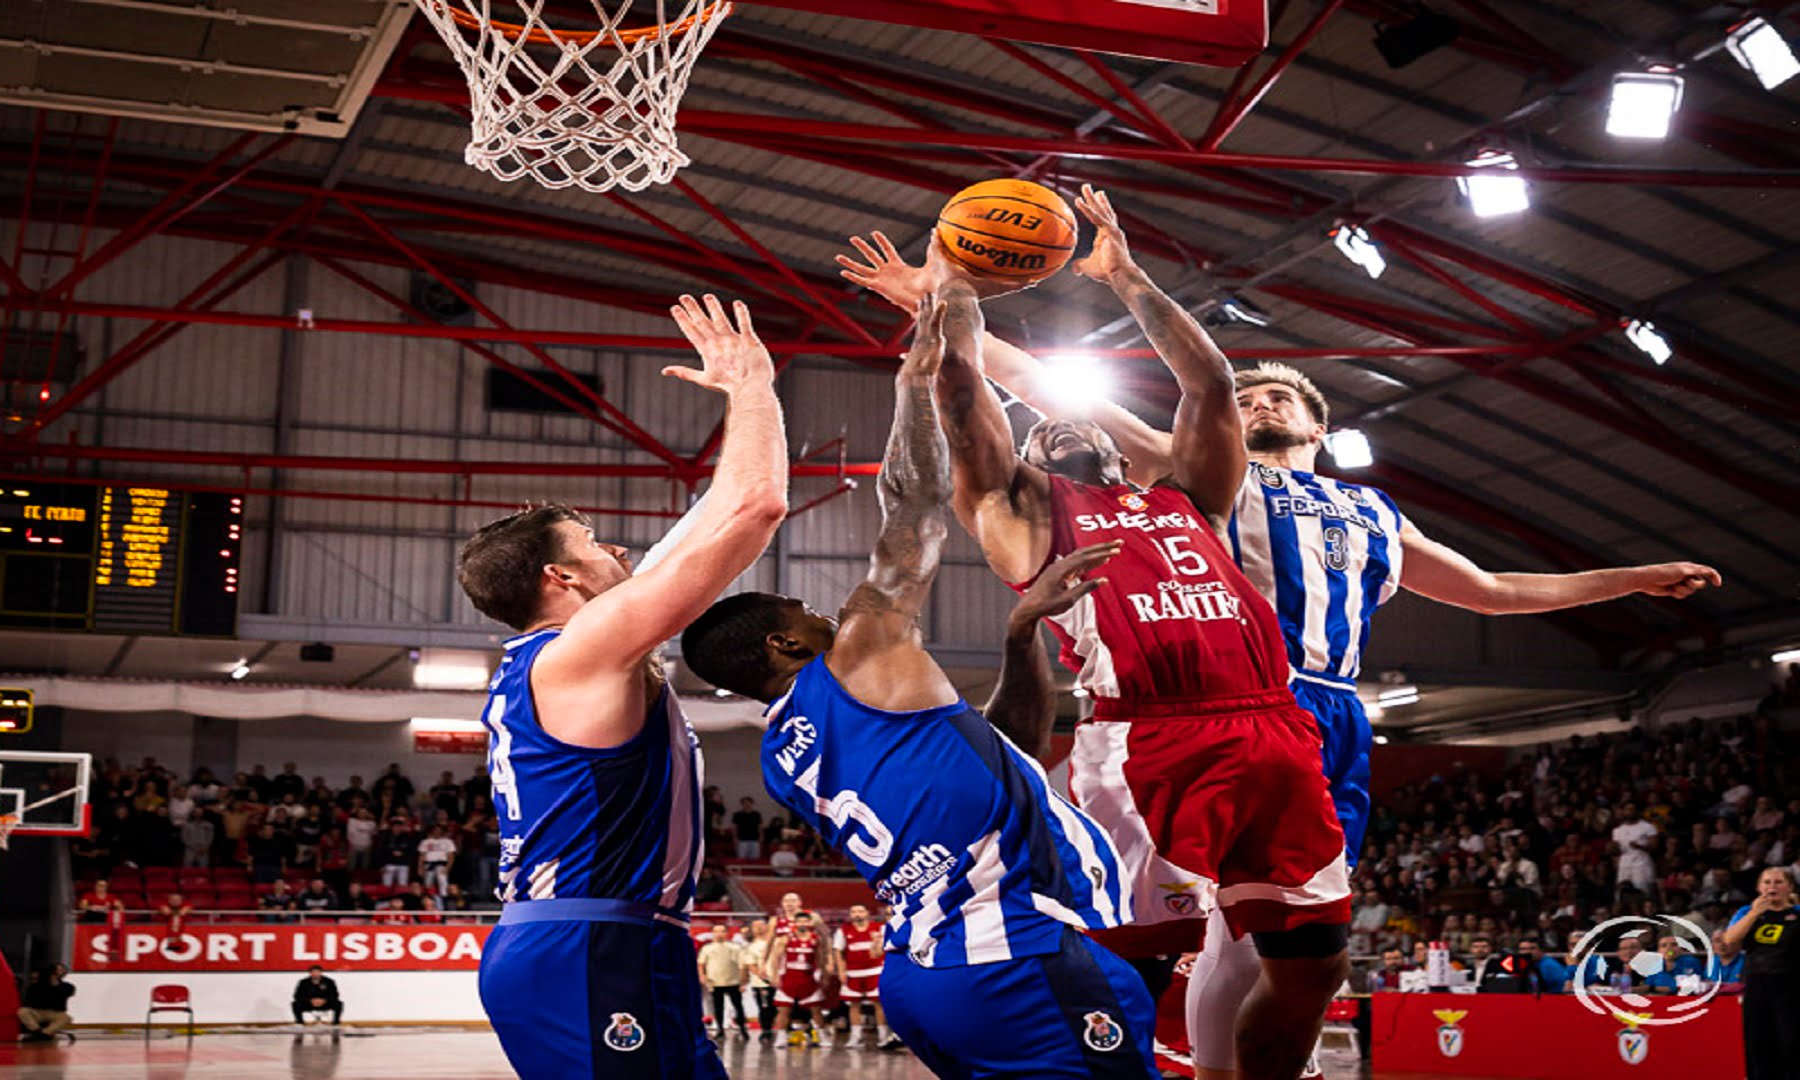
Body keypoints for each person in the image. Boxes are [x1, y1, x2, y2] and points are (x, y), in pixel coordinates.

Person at [840, 213, 1721, 1080]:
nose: (1261, 401)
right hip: (1174, 713)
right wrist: (942, 294)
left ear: (1317, 426)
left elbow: (1490, 591)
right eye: (1253, 396)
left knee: (1297, 942)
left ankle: (1236, 1062)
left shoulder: (1343, 507)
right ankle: (1155, 1057)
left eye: (1281, 397)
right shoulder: (1176, 480)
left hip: (1309, 717)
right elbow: (1031, 387)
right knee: (1160, 933)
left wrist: (1629, 579)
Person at [842, 191, 1347, 1080]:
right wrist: (952, 286)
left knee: (1315, 967)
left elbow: (1211, 386)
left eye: (1074, 422)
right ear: (1028, 460)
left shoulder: (1189, 498)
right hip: (1144, 738)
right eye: (1041, 430)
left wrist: (1126, 277)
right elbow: (960, 392)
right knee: (1123, 964)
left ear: (1122, 451)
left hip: (1273, 728)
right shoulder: (1021, 512)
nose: (1058, 423)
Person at [681, 283, 1154, 1078]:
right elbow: (917, 507)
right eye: (801, 608)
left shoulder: (786, 755)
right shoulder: (859, 653)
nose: (821, 610)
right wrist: (914, 382)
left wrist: (1019, 632)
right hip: (1016, 958)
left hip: (928, 976)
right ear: (782, 641)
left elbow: (1012, 751)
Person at [458, 293, 787, 1080]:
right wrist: (754, 387)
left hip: (607, 939)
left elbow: (712, 513)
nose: (622, 547)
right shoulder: (580, 651)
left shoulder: (567, 653)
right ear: (559, 575)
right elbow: (756, 506)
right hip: (591, 944)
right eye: (595, 542)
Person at [1720, 866, 1799, 1078]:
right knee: (1757, 1040)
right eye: (1767, 882)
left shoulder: (1797, 912)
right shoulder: (1746, 912)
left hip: (1791, 986)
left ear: (1790, 887)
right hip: (1757, 984)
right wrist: (1755, 912)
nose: (1772, 886)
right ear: (1758, 887)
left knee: (1790, 1041)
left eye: (1778, 882)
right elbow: (1729, 940)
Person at [768, 911, 831, 1048]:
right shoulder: (785, 938)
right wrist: (774, 975)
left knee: (816, 1010)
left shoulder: (816, 939)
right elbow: (775, 958)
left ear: (809, 923)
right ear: (795, 923)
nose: (802, 924)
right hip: (789, 978)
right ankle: (781, 1038)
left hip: (808, 978)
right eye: (799, 921)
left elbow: (820, 958)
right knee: (784, 1010)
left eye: (805, 921)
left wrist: (824, 975)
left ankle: (822, 1036)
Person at [832, 904, 886, 1047]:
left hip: (875, 971)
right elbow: (838, 952)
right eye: (854, 911)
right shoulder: (843, 930)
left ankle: (883, 1036)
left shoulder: (879, 928)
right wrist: (841, 971)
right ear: (850, 915)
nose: (857, 914)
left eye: (860, 911)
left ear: (867, 913)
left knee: (878, 1004)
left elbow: (885, 949)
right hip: (853, 972)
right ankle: (856, 1037)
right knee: (853, 1005)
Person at [697, 924, 749, 1040]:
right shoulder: (707, 948)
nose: (719, 934)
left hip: (733, 981)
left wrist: (743, 982)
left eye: (722, 931)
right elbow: (701, 964)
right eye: (717, 931)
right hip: (715, 982)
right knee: (718, 1007)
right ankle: (720, 1029)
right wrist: (702, 975)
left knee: (738, 1007)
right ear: (713, 933)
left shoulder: (736, 948)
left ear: (727, 933)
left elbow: (742, 965)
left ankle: (742, 1028)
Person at [17, 963, 75, 1042]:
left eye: (61, 970)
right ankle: (37, 1031)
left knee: (66, 1018)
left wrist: (55, 985)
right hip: (38, 1011)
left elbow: (62, 999)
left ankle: (44, 1033)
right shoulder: (36, 986)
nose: (58, 973)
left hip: (54, 1012)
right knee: (23, 1011)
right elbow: (30, 1002)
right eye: (57, 970)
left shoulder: (67, 986)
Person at [742, 917, 778, 1045]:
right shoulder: (751, 947)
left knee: (782, 1008)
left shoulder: (777, 942)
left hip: (780, 981)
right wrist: (766, 978)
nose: (758, 928)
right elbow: (751, 966)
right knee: (765, 1008)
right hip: (762, 983)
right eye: (755, 926)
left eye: (761, 925)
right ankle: (766, 1031)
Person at [418, 825, 456, 893]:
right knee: (427, 883)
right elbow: (421, 856)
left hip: (442, 865)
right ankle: (428, 900)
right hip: (429, 864)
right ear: (432, 831)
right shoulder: (425, 841)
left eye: (439, 830)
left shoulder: (448, 841)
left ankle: (443, 900)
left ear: (442, 831)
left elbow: (451, 856)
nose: (437, 832)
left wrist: (448, 868)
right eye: (436, 830)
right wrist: (420, 868)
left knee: (443, 883)